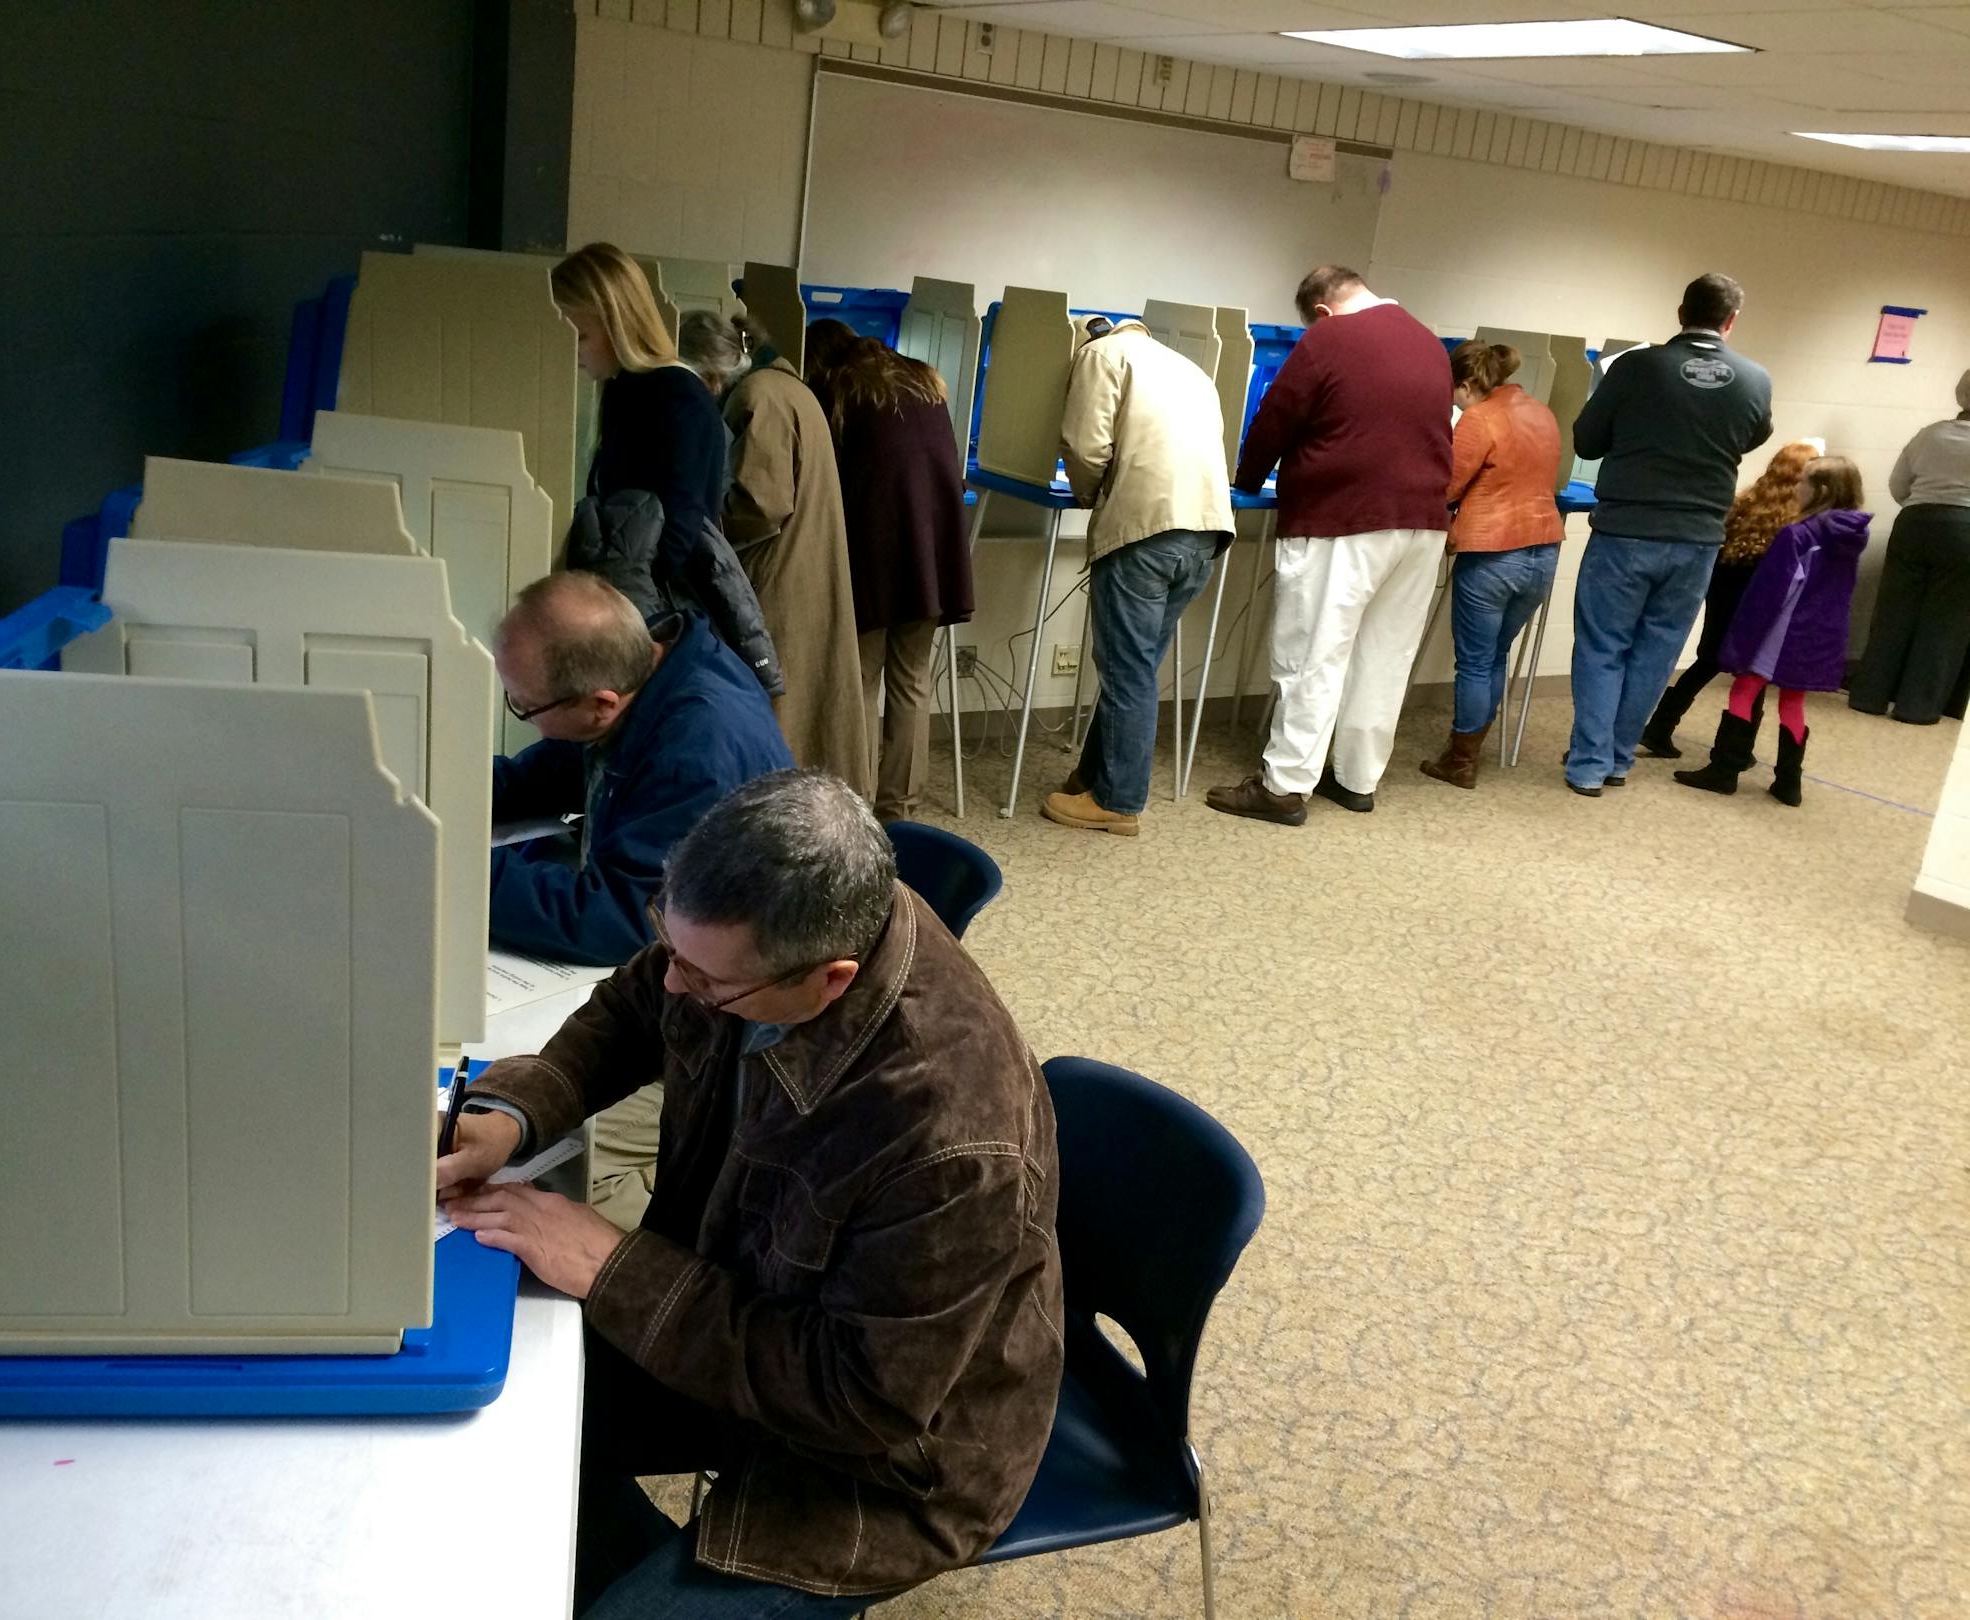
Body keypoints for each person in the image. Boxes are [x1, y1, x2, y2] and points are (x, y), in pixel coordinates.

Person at [438, 770, 1064, 1619]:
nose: (675, 985)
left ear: (831, 980)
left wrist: (613, 1267)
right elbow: (635, 1006)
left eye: (707, 984)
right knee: (486, 1436)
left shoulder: (953, 1138)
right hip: (740, 1305)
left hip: (882, 1467)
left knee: (545, 1504)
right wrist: (521, 1108)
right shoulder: (762, 934)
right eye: (674, 948)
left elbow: (861, 1402)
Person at [489, 573, 793, 1227]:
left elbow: (617, 919)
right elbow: (566, 760)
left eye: (524, 706)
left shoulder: (696, 752)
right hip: (688, 981)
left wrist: (463, 873)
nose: (524, 715)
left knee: (571, 1174)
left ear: (600, 702)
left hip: (721, 1019)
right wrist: (455, 793)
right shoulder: (654, 665)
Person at [1206, 266, 1453, 827]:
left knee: (1313, 654)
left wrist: (1246, 479)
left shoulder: (1330, 336)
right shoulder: (1427, 340)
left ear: (1321, 310)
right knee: (1385, 655)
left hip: (1343, 518)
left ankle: (1286, 787)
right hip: (1422, 525)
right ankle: (1356, 780)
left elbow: (1277, 416)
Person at [1562, 272, 1774, 796]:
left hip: (1625, 531)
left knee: (1602, 646)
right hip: (1698, 539)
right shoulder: (1755, 379)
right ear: (1731, 321)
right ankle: (1616, 759)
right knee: (1656, 653)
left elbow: (1587, 442)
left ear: (1681, 314)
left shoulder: (1635, 367)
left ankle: (1588, 763)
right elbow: (1752, 436)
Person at [1035, 315, 1234, 836]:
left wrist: (1087, 495)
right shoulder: (1192, 368)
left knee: (1127, 670)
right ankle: (1094, 776)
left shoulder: (1100, 356)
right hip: (1206, 532)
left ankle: (1118, 802)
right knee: (1136, 664)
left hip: (1145, 528)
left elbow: (1084, 447)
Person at [679, 313, 877, 801]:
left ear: (711, 375)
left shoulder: (757, 396)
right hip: (805, 569)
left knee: (780, 713)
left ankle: (785, 822)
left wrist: (692, 514)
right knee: (809, 709)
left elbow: (759, 503)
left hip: (780, 577)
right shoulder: (787, 388)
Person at [804, 320, 976, 822]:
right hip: (932, 550)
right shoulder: (925, 380)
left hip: (875, 547)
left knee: (860, 676)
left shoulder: (838, 387)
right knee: (912, 679)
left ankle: (854, 800)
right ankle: (899, 809)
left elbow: (825, 478)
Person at [1673, 456, 1870, 806]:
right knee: (1793, 700)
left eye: (1804, 482)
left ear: (1820, 490)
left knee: (1744, 688)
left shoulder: (1798, 535)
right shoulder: (1851, 538)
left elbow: (1770, 591)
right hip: (1821, 631)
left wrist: (1742, 637)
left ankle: (1723, 770)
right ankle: (1788, 782)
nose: (1797, 488)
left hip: (1782, 630)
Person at [1420, 340, 1565, 790]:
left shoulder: (1478, 419)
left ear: (1464, 385)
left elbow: (1447, 486)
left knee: (1476, 662)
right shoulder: (1541, 412)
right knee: (1496, 653)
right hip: (1544, 551)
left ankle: (1461, 760)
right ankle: (1473, 746)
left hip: (1493, 554)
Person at [555, 243, 728, 581]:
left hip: (658, 606)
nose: (571, 350)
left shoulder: (677, 396)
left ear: (618, 325)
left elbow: (676, 540)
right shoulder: (628, 388)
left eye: (581, 336)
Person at [1640, 441, 1818, 758]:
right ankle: (1740, 747)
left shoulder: (1745, 502)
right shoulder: (1796, 522)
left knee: (1706, 662)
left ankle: (1659, 728)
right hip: (1757, 602)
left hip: (1722, 591)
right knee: (1753, 674)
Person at [1849, 368, 1970, 726]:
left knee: (1893, 612)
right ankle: (1917, 707)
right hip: (1966, 531)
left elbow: (1898, 485)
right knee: (1946, 621)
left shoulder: (1930, 434)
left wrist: (1924, 504)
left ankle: (1869, 695)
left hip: (1915, 523)